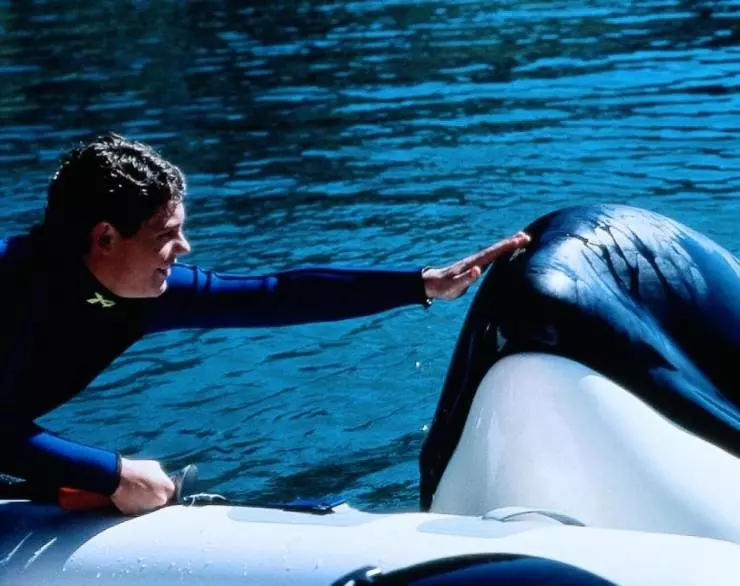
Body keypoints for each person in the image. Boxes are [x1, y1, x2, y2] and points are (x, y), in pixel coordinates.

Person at [0, 133, 530, 515]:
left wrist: (421, 284)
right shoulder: (15, 289)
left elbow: (276, 295)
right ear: (105, 238)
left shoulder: (138, 293)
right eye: (166, 235)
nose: (184, 248)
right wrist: (112, 473)